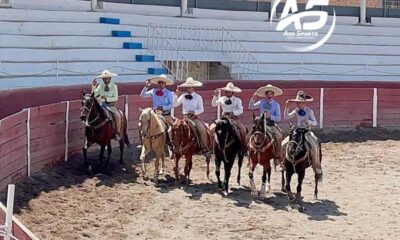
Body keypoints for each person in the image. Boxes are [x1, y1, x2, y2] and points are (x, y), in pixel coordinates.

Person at [284, 90, 321, 175]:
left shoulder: (309, 111)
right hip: (297, 131)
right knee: (284, 143)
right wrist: (286, 107)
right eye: (297, 103)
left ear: (304, 103)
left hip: (307, 131)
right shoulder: (296, 110)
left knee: (314, 145)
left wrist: (308, 121)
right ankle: (284, 162)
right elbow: (286, 117)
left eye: (300, 102)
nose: (298, 104)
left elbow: (315, 122)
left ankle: (315, 164)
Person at [249, 84, 285, 168]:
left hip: (271, 123)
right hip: (261, 123)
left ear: (273, 95)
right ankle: (250, 154)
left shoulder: (276, 105)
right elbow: (251, 106)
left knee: (279, 136)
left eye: (271, 94)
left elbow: (279, 118)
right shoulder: (261, 102)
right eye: (268, 94)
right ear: (265, 95)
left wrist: (271, 116)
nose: (269, 95)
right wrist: (252, 99)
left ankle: (278, 155)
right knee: (248, 136)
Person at [174, 77, 211, 155]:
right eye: (188, 87)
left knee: (202, 129)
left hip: (194, 118)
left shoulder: (198, 97)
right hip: (185, 118)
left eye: (190, 87)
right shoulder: (183, 96)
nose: (189, 89)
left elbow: (201, 109)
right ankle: (175, 147)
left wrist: (194, 112)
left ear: (193, 88)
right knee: (174, 128)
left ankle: (205, 148)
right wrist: (176, 95)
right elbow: (174, 104)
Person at [211, 82, 247, 152]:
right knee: (212, 129)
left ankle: (243, 147)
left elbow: (241, 110)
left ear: (232, 92)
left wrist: (234, 113)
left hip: (233, 118)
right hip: (223, 117)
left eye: (229, 92)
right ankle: (212, 147)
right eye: (226, 91)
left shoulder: (237, 100)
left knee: (243, 130)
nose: (227, 93)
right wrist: (215, 96)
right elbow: (213, 104)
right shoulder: (222, 98)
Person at [91, 69, 122, 140]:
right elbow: (94, 94)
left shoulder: (114, 86)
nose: (105, 79)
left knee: (117, 115)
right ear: (102, 79)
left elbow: (115, 98)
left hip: (110, 105)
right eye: (104, 78)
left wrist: (106, 99)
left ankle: (117, 132)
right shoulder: (100, 86)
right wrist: (93, 86)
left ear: (110, 78)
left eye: (107, 78)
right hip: (101, 105)